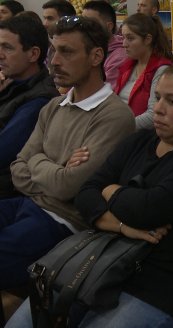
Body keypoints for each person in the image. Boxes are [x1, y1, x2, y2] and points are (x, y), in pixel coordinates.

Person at [6, 64, 173, 328]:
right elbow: (85, 194)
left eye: (172, 101)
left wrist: (111, 190)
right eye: (158, 97)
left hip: (164, 282)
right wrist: (122, 226)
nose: (159, 108)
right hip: (101, 259)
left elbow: (148, 209)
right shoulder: (139, 141)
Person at [0, 16, 135, 290]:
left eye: (67, 52)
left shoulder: (114, 116)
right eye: (54, 51)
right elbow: (17, 169)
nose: (55, 61)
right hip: (27, 203)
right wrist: (58, 166)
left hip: (63, 222)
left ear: (96, 56)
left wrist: (38, 161)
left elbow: (68, 187)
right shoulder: (53, 105)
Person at [0, 15, 59, 197]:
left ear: (33, 54)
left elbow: (2, 153)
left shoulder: (39, 100)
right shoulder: (13, 84)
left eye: (7, 48)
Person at [115, 13, 173, 130]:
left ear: (147, 39)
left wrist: (117, 128)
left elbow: (153, 116)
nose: (124, 44)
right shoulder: (127, 66)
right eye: (123, 38)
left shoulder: (162, 70)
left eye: (130, 38)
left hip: (142, 138)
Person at [83, 0, 127, 90]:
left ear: (109, 26)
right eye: (83, 22)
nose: (85, 27)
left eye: (91, 23)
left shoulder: (119, 57)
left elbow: (105, 92)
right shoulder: (85, 48)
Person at [41, 0, 76, 75]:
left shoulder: (76, 48)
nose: (44, 24)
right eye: (44, 18)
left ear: (66, 20)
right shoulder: (51, 48)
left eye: (50, 18)